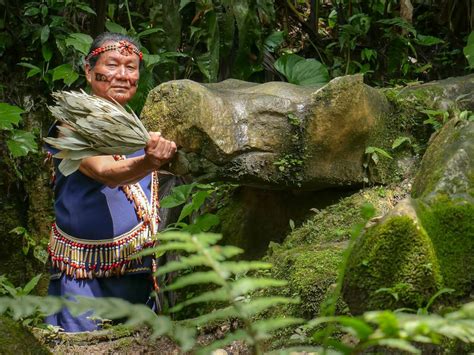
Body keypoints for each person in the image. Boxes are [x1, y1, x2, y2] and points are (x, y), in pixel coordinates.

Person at [45, 32, 177, 332]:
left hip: (136, 269)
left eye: (131, 67)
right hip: (81, 274)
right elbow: (105, 172)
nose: (122, 74)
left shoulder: (140, 129)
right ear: (89, 71)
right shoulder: (69, 125)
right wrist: (150, 161)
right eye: (113, 64)